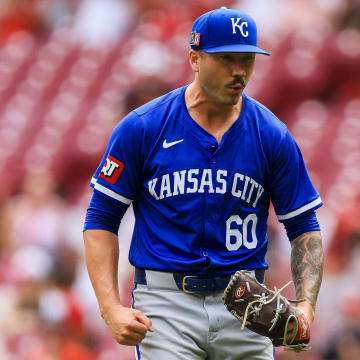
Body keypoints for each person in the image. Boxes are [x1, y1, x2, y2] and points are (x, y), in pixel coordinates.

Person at [83, 7, 324, 360]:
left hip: (246, 307)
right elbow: (101, 219)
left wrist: (305, 306)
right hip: (166, 305)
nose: (239, 70)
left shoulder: (272, 135)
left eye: (247, 59)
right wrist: (110, 308)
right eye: (226, 58)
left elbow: (304, 226)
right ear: (195, 58)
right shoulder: (144, 128)